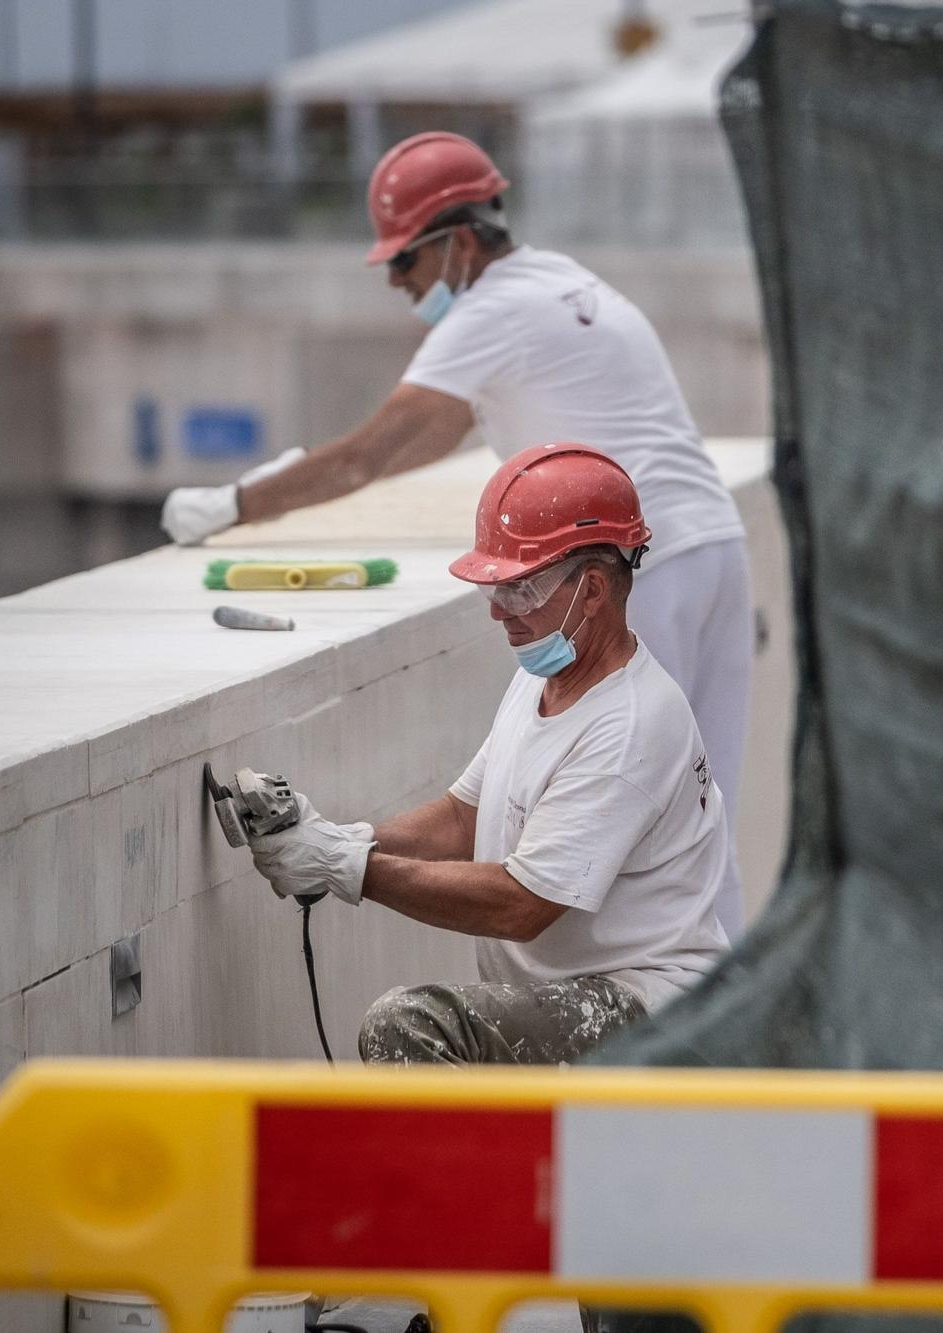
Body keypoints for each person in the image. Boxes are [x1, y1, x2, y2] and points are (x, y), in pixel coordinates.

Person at [165, 131, 753, 933]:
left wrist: (233, 501)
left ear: (462, 242)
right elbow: (435, 436)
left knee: (634, 840)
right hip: (713, 549)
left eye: (406, 262)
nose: (400, 285)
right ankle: (729, 1038)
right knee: (699, 825)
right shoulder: (563, 282)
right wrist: (354, 839)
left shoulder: (491, 311)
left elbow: (369, 455)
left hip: (627, 567)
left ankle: (655, 1034)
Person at [243, 444, 732, 1064]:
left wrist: (349, 867)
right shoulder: (544, 673)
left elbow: (523, 904)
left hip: (652, 1016)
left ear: (592, 591)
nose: (502, 612)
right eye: (496, 590)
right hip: (582, 995)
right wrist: (341, 838)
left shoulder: (630, 728)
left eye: (522, 590)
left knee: (414, 1027)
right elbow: (462, 818)